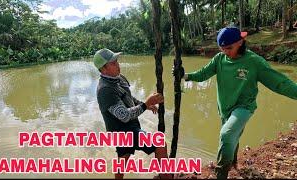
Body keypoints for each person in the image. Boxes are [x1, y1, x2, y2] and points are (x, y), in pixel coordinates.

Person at [173, 27, 297, 179]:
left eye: (229, 48)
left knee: (227, 134)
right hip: (224, 108)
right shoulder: (219, 59)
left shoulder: (254, 62)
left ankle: (221, 173)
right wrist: (185, 76)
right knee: (233, 135)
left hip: (244, 107)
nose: (226, 52)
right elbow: (203, 74)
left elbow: (279, 83)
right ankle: (233, 162)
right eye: (222, 49)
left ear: (240, 42)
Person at [94, 48, 172, 179]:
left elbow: (128, 98)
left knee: (123, 159)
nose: (118, 65)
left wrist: (145, 105)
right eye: (113, 63)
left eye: (116, 61)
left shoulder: (118, 78)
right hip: (122, 132)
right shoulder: (105, 90)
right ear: (103, 69)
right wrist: (145, 104)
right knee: (160, 144)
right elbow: (124, 116)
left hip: (128, 129)